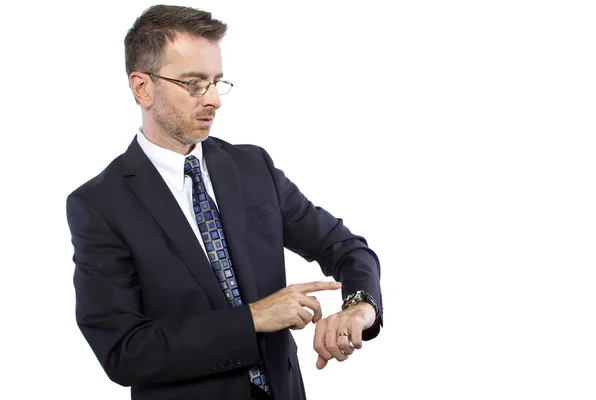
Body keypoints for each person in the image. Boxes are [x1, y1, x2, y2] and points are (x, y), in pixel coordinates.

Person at [66, 4, 383, 400]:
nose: (214, 99)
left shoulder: (252, 166)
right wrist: (252, 318)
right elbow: (124, 352)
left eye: (217, 81)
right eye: (194, 83)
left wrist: (359, 306)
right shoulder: (99, 205)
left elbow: (345, 247)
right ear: (142, 87)